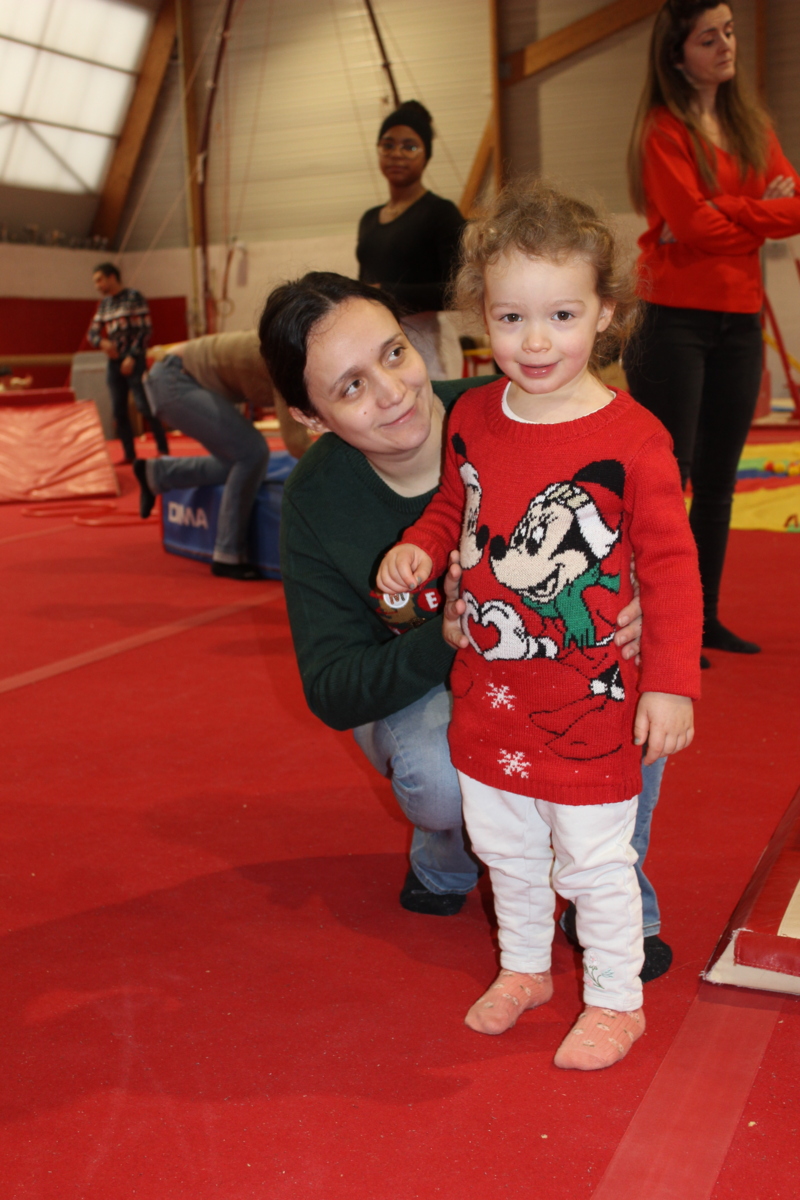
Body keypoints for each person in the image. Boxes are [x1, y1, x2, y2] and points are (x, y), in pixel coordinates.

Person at [258, 271, 673, 986]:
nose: (393, 393)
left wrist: (635, 598)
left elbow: (633, 502)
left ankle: (606, 886)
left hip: (546, 653)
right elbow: (331, 689)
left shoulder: (507, 408)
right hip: (425, 681)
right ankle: (446, 854)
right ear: (311, 416)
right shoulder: (316, 500)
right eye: (351, 387)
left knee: (627, 696)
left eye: (394, 354)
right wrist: (443, 636)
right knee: (444, 778)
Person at [376, 181, 703, 1071]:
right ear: (483, 314)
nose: (535, 341)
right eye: (511, 317)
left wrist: (672, 682)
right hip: (490, 692)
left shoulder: (635, 438)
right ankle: (524, 967)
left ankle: (617, 999)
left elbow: (671, 569)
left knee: (594, 859)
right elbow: (454, 506)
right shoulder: (475, 415)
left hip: (588, 704)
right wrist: (418, 550)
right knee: (506, 847)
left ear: (605, 314)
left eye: (562, 315)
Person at [624, 1, 800, 660]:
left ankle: (703, 618)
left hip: (739, 316)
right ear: (677, 56)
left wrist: (724, 208)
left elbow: (793, 208)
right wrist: (753, 214)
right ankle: (660, 625)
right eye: (708, 38)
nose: (726, 45)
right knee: (669, 480)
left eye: (728, 32)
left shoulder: (752, 125)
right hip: (673, 317)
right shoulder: (662, 131)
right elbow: (693, 228)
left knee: (720, 482)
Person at [134, 330, 311, 581]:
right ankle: (227, 555)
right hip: (173, 380)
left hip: (174, 377)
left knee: (240, 462)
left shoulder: (298, 349)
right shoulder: (288, 360)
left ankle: (157, 474)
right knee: (252, 453)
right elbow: (296, 443)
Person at [357, 100, 465, 380]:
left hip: (425, 343)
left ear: (425, 155)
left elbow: (459, 289)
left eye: (410, 147)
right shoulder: (369, 219)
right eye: (388, 145)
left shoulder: (441, 213)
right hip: (375, 339)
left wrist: (385, 293)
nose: (397, 154)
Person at [88, 263, 168, 462]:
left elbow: (145, 330)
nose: (97, 286)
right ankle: (129, 454)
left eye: (99, 280)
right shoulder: (105, 304)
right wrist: (102, 342)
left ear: (112, 277)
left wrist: (132, 356)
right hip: (114, 361)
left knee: (144, 405)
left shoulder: (133, 297)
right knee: (118, 410)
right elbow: (92, 332)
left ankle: (163, 448)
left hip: (134, 359)